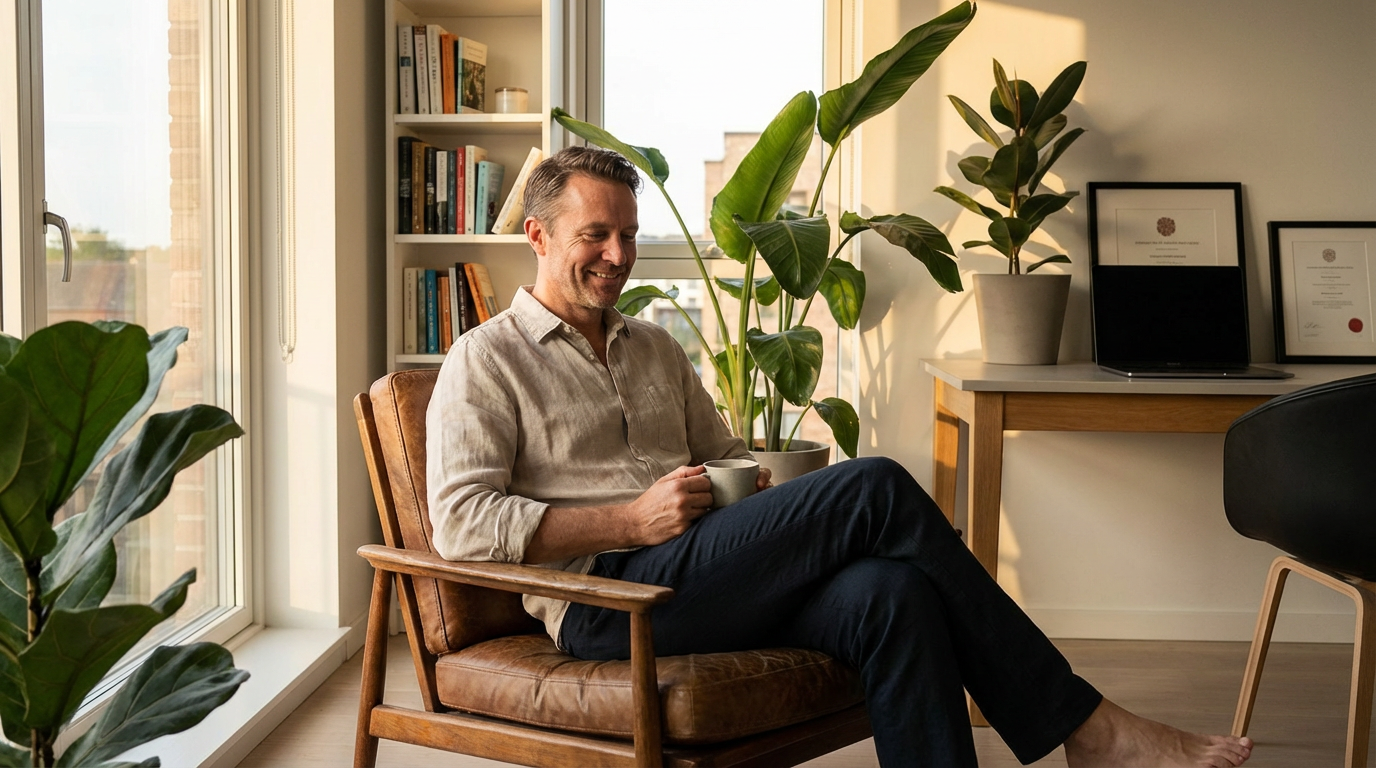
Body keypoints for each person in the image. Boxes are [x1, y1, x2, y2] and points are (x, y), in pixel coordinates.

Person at [426, 146, 1254, 767]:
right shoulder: (485, 358)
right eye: (595, 234)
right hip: (610, 607)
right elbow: (461, 527)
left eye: (629, 235)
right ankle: (1088, 727)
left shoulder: (654, 348)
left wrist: (776, 506)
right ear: (536, 234)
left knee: (890, 592)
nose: (618, 254)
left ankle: (1074, 733)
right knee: (878, 487)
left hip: (700, 573)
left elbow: (725, 459)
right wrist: (629, 517)